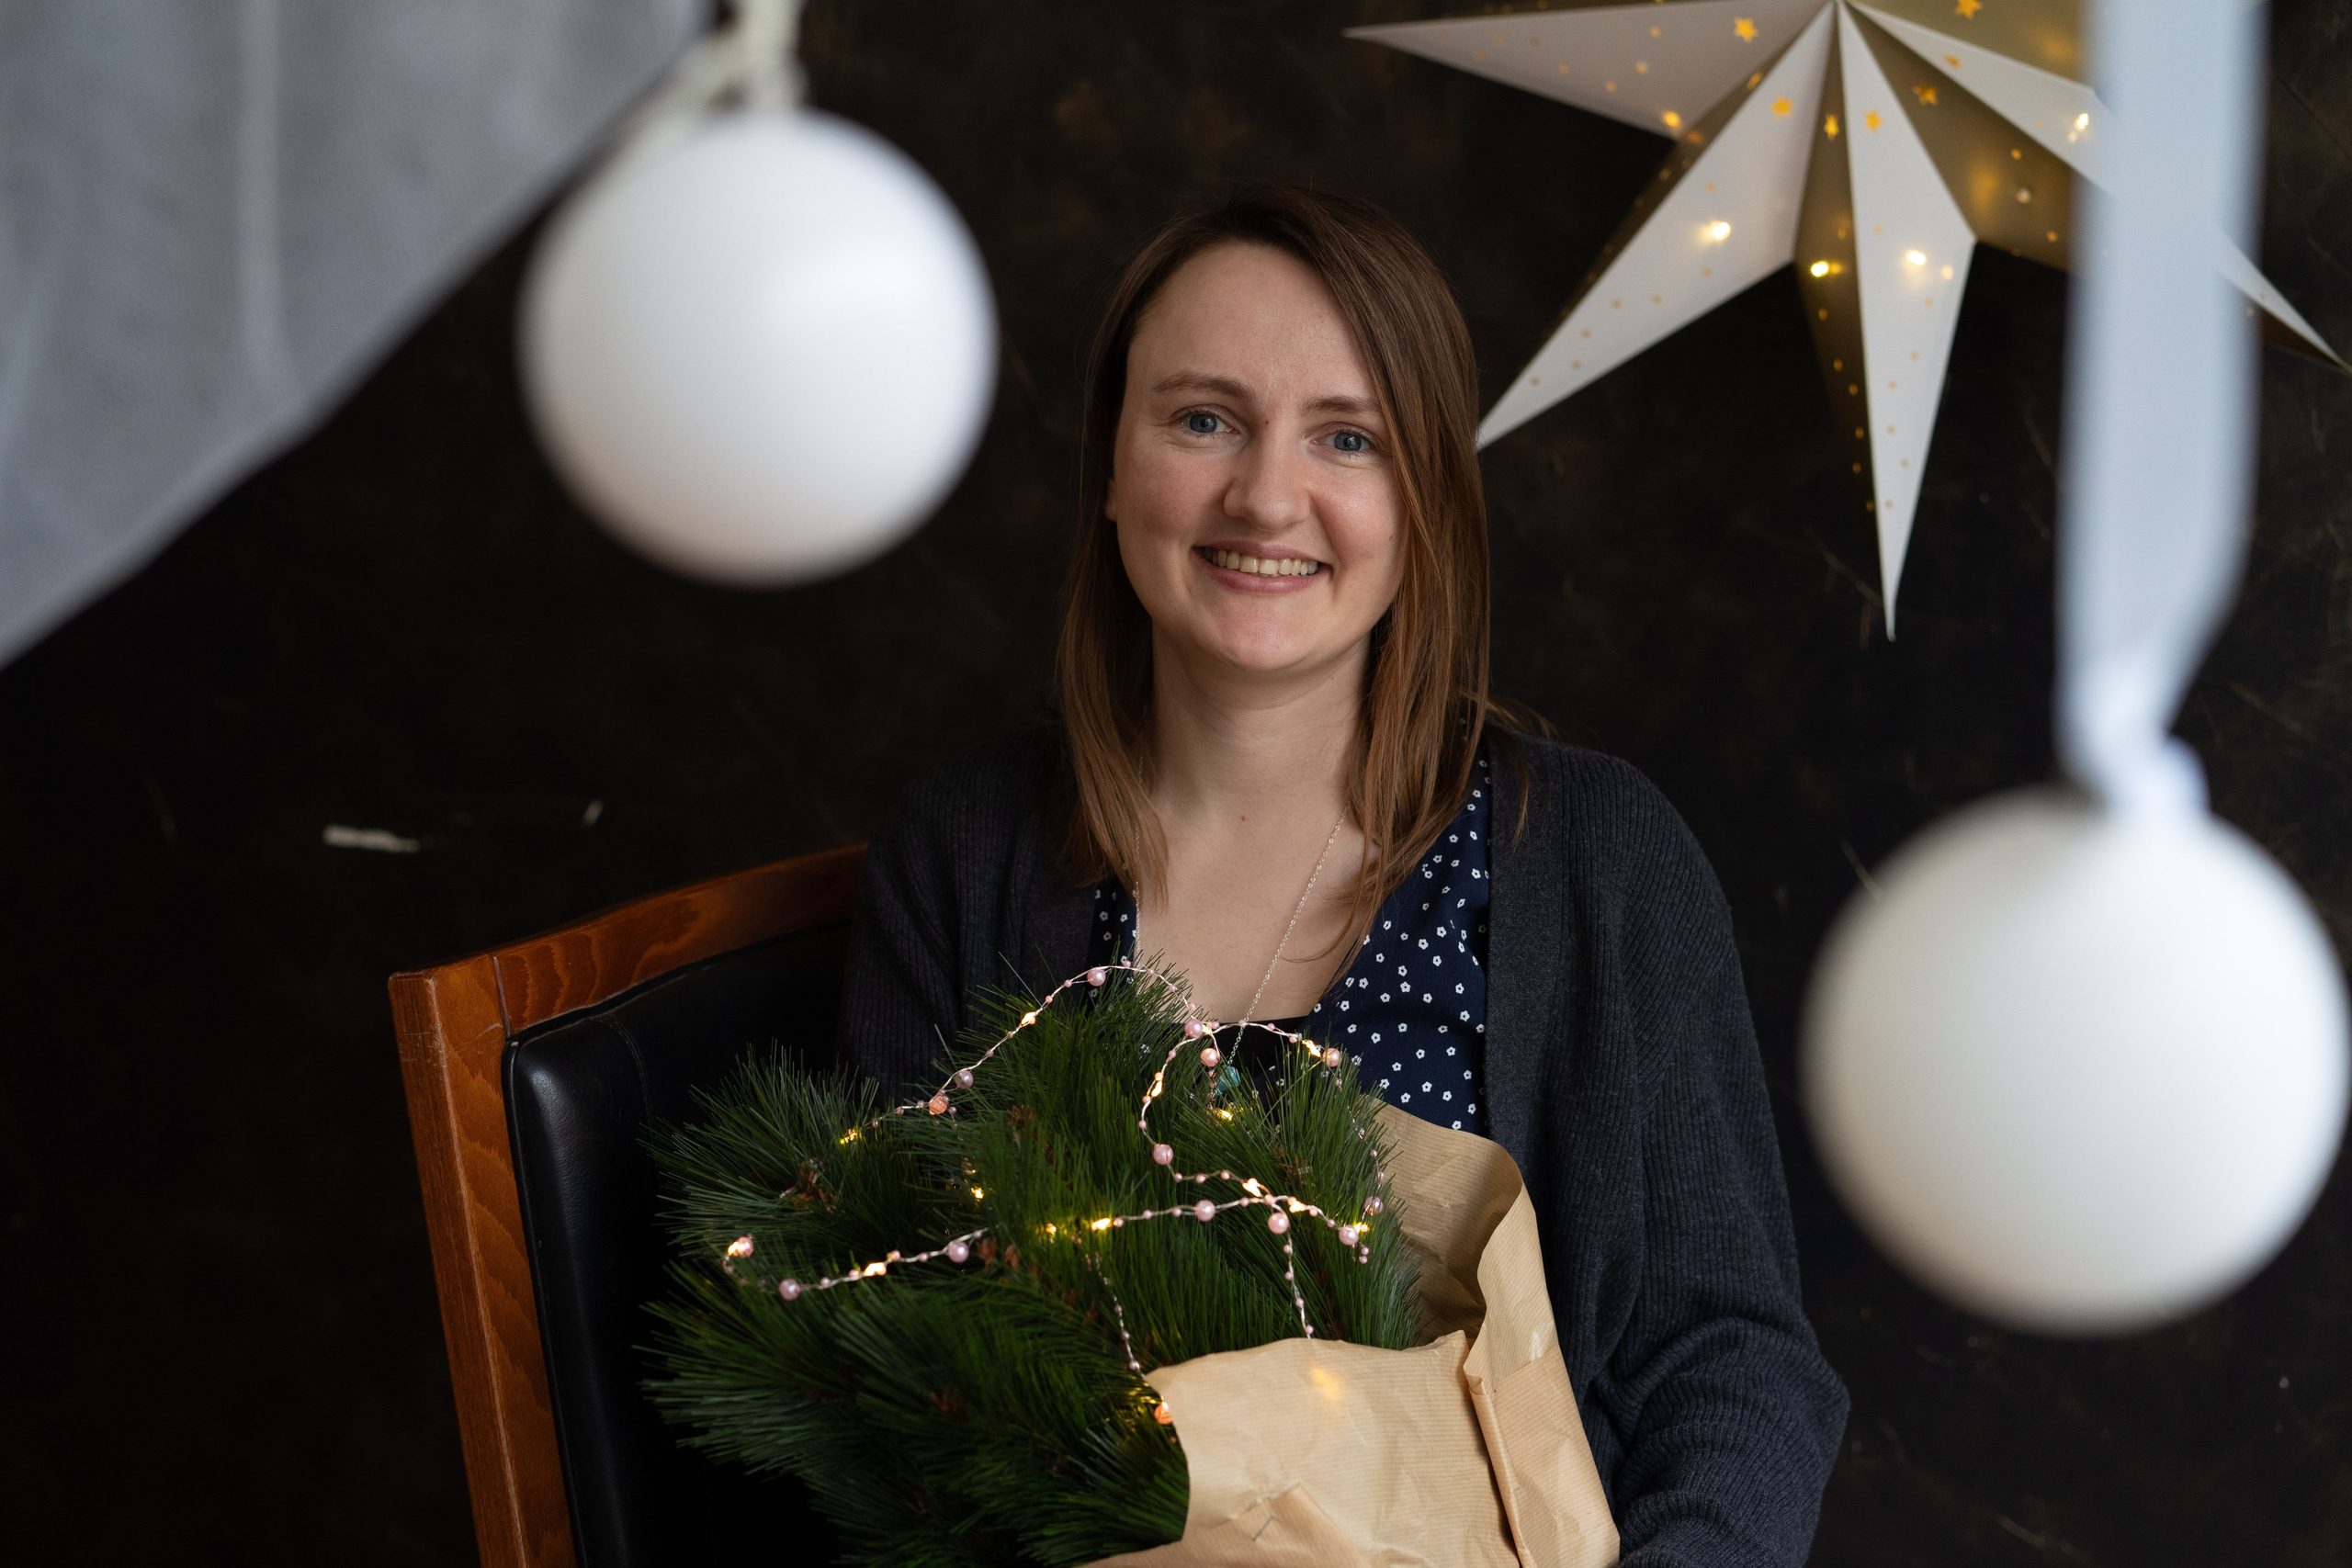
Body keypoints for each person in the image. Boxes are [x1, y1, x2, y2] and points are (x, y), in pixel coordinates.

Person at [836, 184, 1847, 1563]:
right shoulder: (962, 853)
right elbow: (880, 1366)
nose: (1265, 495)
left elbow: (1732, 1364)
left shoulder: (1599, 863)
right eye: (1203, 419)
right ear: (1113, 467)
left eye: (1347, 439)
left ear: (1424, 499)